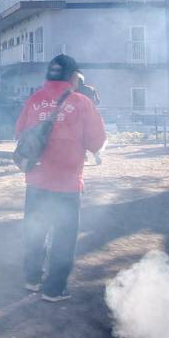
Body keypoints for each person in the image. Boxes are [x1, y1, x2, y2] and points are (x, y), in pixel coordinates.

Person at [15, 53, 106, 300]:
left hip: (36, 180)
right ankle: (54, 289)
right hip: (67, 184)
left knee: (35, 231)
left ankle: (32, 278)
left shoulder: (34, 100)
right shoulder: (81, 102)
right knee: (64, 237)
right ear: (74, 76)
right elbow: (96, 140)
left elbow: (20, 133)